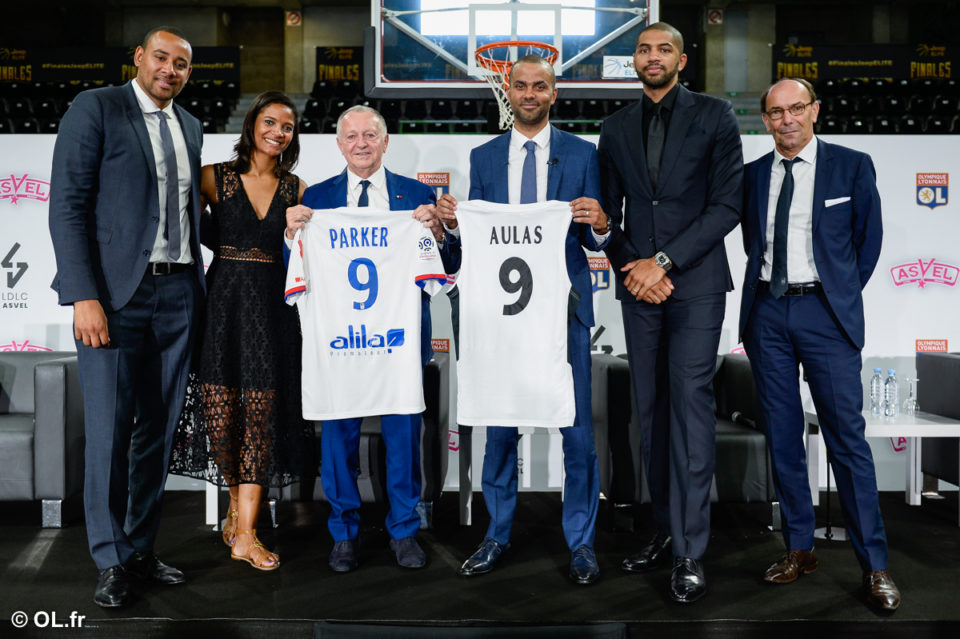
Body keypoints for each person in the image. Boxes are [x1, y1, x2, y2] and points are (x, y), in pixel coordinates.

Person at [436, 54, 610, 585]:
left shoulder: (583, 153)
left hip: (565, 314)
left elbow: (595, 235)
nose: (529, 93)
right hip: (504, 318)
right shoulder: (484, 156)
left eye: (540, 86)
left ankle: (580, 543)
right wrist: (457, 226)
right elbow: (482, 241)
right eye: (520, 86)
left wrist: (601, 223)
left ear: (554, 93)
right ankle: (496, 533)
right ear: (506, 91)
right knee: (501, 427)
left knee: (577, 434)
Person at [48, 27, 204, 608]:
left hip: (181, 293)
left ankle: (139, 547)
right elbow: (67, 205)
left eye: (181, 63)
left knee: (158, 435)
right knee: (111, 433)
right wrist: (83, 295)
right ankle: (110, 557)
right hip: (114, 299)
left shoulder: (189, 125)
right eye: (160, 57)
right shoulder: (95, 108)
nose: (170, 69)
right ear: (138, 58)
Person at [739, 78, 900, 612]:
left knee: (847, 443)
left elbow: (866, 242)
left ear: (814, 111)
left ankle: (874, 565)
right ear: (764, 120)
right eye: (775, 112)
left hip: (826, 315)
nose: (786, 119)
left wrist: (836, 295)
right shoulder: (753, 175)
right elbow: (752, 244)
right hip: (766, 312)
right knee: (783, 438)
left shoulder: (852, 165)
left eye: (796, 108)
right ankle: (800, 549)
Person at [598, 22, 743, 603]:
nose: (651, 56)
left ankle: (690, 549)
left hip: (697, 284)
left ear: (682, 60)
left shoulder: (715, 115)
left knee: (688, 409)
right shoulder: (613, 127)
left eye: (663, 49)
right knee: (649, 411)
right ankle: (663, 527)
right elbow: (607, 216)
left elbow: (727, 204)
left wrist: (663, 261)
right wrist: (635, 265)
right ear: (633, 60)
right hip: (640, 286)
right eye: (642, 49)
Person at [284, 105, 458, 572]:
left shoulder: (418, 195)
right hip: (340, 343)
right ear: (339, 144)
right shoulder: (315, 199)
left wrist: (438, 233)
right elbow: (300, 265)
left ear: (386, 142)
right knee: (337, 438)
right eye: (351, 136)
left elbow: (445, 265)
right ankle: (343, 531)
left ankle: (404, 529)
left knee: (403, 437)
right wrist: (291, 235)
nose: (361, 143)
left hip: (398, 343)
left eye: (370, 135)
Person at [169, 91, 312, 571]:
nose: (277, 132)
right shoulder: (213, 177)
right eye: (270, 122)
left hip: (273, 311)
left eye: (287, 127)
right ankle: (237, 512)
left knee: (259, 420)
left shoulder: (299, 189)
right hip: (222, 305)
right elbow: (191, 228)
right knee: (223, 417)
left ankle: (246, 535)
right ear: (252, 124)